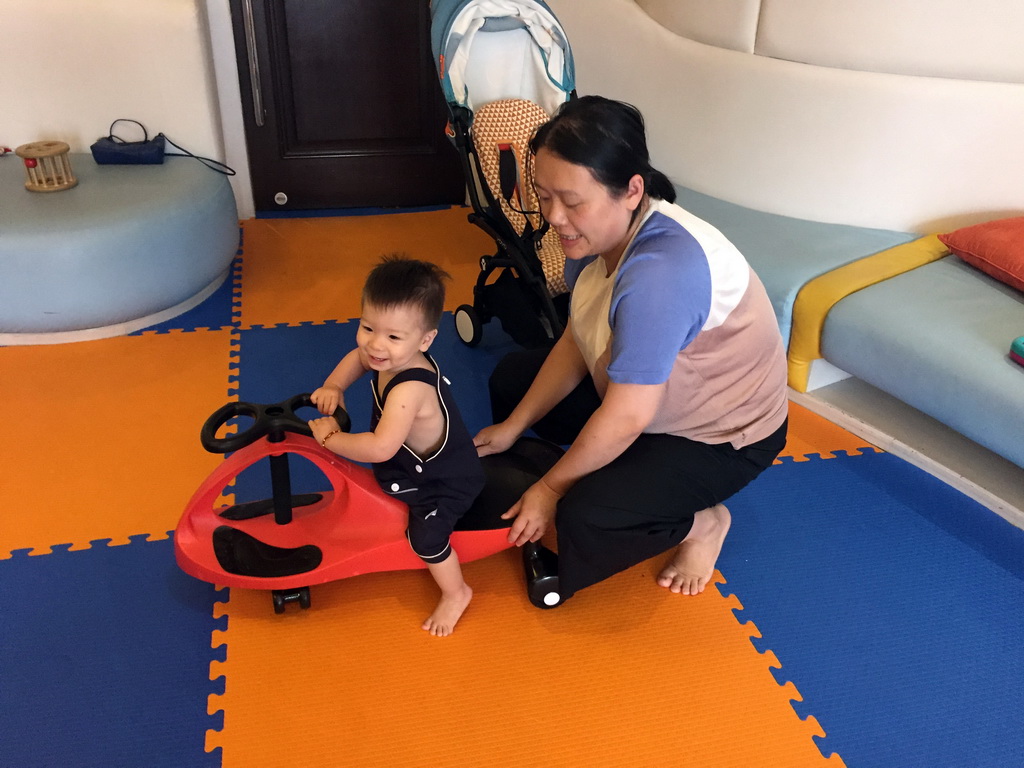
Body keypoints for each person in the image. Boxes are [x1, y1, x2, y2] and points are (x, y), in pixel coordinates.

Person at [473, 96, 789, 604]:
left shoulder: (659, 273)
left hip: (722, 436)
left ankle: (702, 524)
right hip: (652, 402)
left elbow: (626, 416)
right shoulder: (597, 235)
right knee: (511, 381)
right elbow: (580, 335)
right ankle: (614, 474)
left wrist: (553, 489)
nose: (555, 217)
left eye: (571, 201)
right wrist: (514, 426)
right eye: (543, 195)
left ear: (631, 190)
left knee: (586, 513)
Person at [308, 255, 485, 636]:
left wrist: (330, 438)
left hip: (443, 483)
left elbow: (379, 449)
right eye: (367, 326)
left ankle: (457, 592)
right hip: (412, 465)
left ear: (425, 340)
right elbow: (357, 358)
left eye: (392, 336)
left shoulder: (409, 388)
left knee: (425, 538)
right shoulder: (384, 355)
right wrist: (334, 386)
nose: (375, 344)